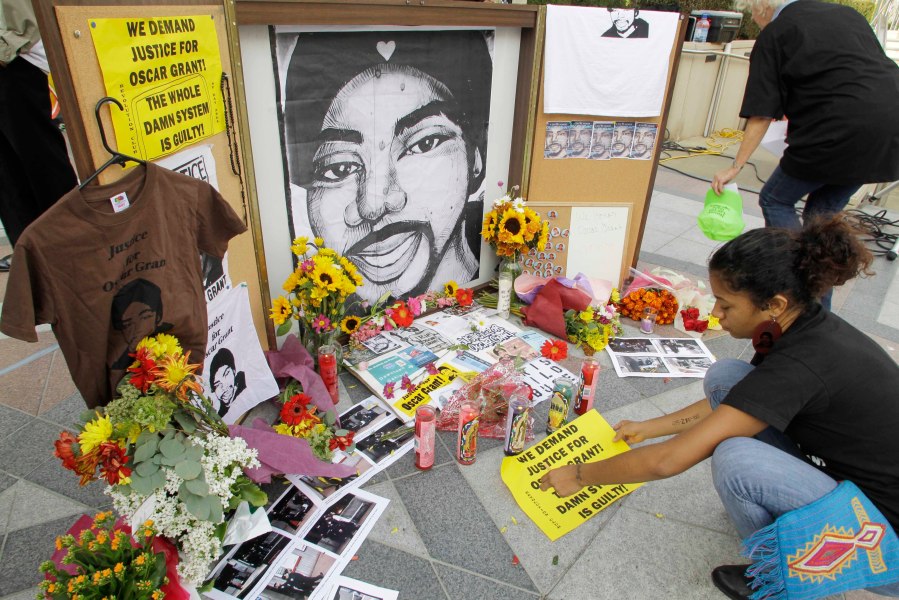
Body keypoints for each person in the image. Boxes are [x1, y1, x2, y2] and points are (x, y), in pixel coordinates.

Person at [539, 216, 899, 599]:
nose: (717, 314)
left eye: (726, 305)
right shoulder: (797, 325)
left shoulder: (802, 363)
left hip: (884, 541)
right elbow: (739, 402)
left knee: (736, 459)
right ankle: (793, 525)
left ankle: (778, 575)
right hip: (852, 481)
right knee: (726, 375)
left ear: (774, 304)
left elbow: (668, 461)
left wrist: (579, 476)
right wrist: (650, 427)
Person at [281, 30, 492, 306]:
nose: (373, 205)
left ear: (475, 156)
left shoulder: (493, 266)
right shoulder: (326, 315)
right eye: (339, 168)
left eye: (424, 143)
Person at [712, 0, 899, 309]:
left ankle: (800, 285)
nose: (754, 20)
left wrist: (736, 165)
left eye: (752, 14)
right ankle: (817, 310)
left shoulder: (775, 32)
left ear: (761, 8)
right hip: (890, 125)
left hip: (840, 127)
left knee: (776, 198)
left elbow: (761, 113)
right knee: (821, 218)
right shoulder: (845, 13)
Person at [0, 0, 78, 272]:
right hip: (14, 49)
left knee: (44, 169)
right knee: (8, 183)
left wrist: (11, 43)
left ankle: (75, 257)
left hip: (18, 54)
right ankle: (33, 266)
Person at [110, 278, 173, 369]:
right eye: (128, 323)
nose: (137, 328)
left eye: (145, 317)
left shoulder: (173, 341)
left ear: (158, 316)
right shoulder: (116, 364)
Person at [209, 347, 246, 417]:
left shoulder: (244, 382)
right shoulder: (219, 417)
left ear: (234, 371)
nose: (224, 386)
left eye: (226, 374)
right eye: (218, 384)